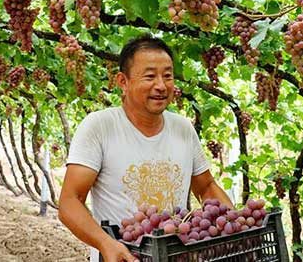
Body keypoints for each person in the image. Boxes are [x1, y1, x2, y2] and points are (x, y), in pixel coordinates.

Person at [59, 34, 233, 262]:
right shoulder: (99, 127)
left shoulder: (182, 128)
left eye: (168, 76)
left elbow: (206, 186)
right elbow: (69, 201)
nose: (161, 86)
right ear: (123, 81)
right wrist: (105, 244)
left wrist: (235, 224)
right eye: (150, 76)